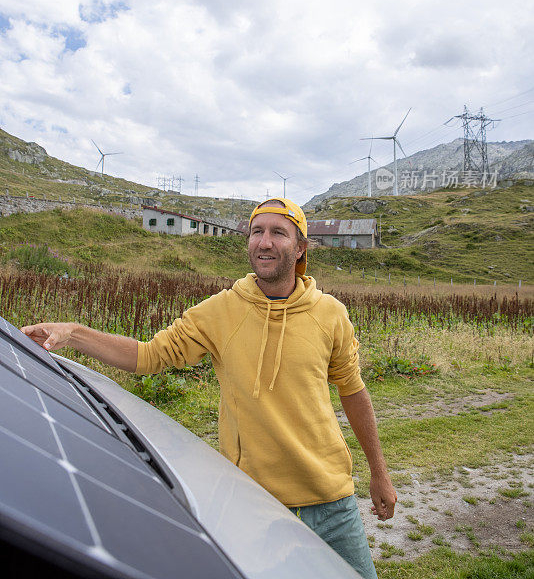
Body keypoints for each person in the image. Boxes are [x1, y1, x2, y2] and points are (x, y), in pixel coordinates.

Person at [22, 198, 396, 578]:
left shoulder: (330, 313)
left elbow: (353, 391)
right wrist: (72, 333)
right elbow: (148, 356)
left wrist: (378, 472)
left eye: (278, 233)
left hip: (333, 501)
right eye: (256, 232)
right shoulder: (219, 312)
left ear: (300, 248)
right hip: (256, 505)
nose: (264, 242)